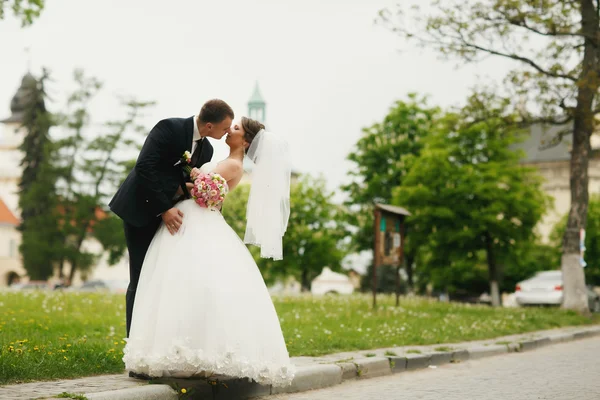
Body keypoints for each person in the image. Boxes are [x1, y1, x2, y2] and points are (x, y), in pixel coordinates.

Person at [122, 117, 295, 387]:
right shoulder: (221, 157)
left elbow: (204, 190)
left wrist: (192, 175)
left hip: (198, 221)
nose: (229, 131)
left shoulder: (233, 165)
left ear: (246, 141)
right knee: (180, 285)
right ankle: (182, 351)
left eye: (235, 129)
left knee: (190, 285)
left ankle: (194, 354)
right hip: (193, 219)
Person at [109, 99, 234, 337]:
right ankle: (134, 344)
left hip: (174, 218)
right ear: (209, 125)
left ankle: (155, 341)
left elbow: (180, 181)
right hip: (142, 210)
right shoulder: (169, 128)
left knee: (162, 278)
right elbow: (145, 167)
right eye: (225, 127)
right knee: (140, 277)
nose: (227, 131)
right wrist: (164, 209)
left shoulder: (207, 150)